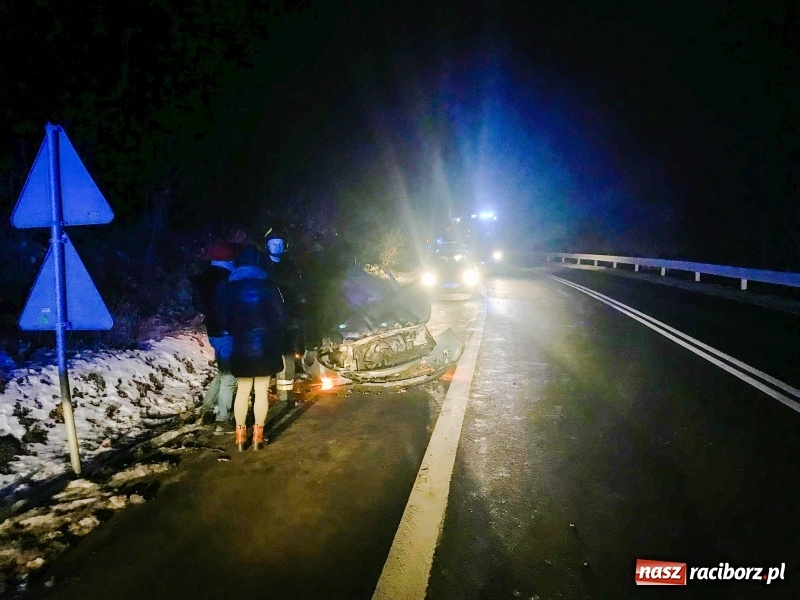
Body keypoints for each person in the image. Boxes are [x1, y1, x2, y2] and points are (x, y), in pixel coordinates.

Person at [223, 245, 287, 451]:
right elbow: (280, 316)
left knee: (242, 391)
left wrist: (235, 331)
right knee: (261, 391)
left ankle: (240, 437)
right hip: (265, 345)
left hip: (241, 345)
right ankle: (258, 437)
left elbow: (224, 316)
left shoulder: (230, 286)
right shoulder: (269, 285)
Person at [190, 242, 237, 434]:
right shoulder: (228, 278)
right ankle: (222, 419)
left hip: (213, 331)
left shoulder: (203, 279)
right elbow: (232, 306)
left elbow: (199, 305)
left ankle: (207, 408)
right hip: (228, 331)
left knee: (221, 370)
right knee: (229, 376)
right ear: (228, 260)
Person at [263, 228, 308, 407]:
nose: (277, 247)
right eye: (274, 244)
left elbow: (298, 293)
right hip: (267, 320)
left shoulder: (290, 267)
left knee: (288, 356)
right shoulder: (262, 267)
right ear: (267, 246)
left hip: (288, 319)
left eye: (280, 244)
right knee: (267, 357)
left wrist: (298, 313)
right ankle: (262, 392)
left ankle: (285, 394)